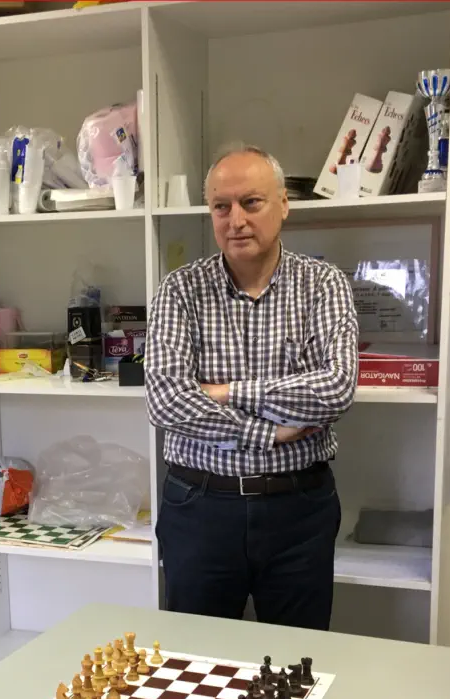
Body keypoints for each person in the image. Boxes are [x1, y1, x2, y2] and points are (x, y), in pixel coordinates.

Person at [145, 145, 358, 628]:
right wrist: (268, 433)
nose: (235, 220)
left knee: (297, 657)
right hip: (199, 507)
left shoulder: (323, 285)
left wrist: (227, 392)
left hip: (298, 511)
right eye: (221, 207)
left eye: (251, 203)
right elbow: (165, 400)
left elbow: (336, 389)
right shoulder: (179, 291)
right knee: (194, 657)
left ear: (283, 204)